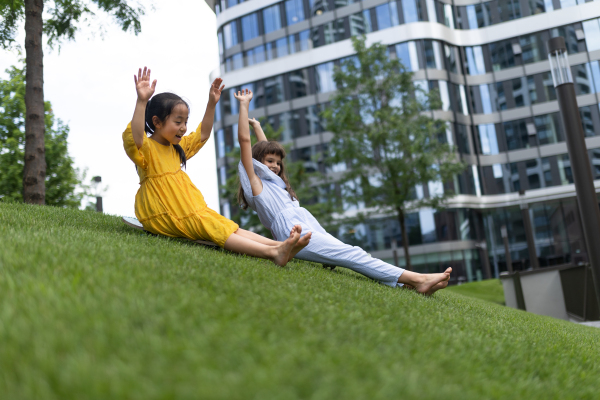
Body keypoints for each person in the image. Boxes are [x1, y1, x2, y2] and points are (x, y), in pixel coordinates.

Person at [234, 88, 451, 294]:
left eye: (278, 163)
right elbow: (246, 143)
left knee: (353, 253)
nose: (275, 166)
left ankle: (405, 286)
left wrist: (258, 127)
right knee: (352, 253)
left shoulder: (274, 183)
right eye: (269, 162)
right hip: (292, 230)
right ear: (257, 163)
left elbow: (265, 148)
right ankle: (419, 279)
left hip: (304, 221)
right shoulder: (256, 184)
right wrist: (244, 106)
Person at [122, 67, 310, 267]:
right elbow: (135, 138)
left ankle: (281, 245)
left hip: (188, 207)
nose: (184, 128)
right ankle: (273, 253)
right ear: (157, 122)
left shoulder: (176, 148)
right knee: (213, 227)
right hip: (164, 210)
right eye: (178, 122)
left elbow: (202, 134)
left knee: (226, 225)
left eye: (185, 122)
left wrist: (211, 103)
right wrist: (141, 101)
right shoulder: (147, 148)